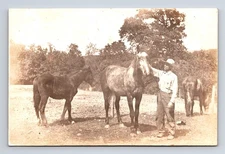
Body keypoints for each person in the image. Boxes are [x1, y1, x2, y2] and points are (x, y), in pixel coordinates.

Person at [151, 58, 178, 140]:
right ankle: (161, 131)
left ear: (170, 67)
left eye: (167, 65)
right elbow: (152, 70)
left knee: (169, 114)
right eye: (165, 64)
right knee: (159, 114)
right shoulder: (161, 73)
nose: (165, 66)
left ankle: (171, 133)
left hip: (168, 95)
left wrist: (171, 101)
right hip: (160, 94)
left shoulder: (174, 76)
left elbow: (175, 89)